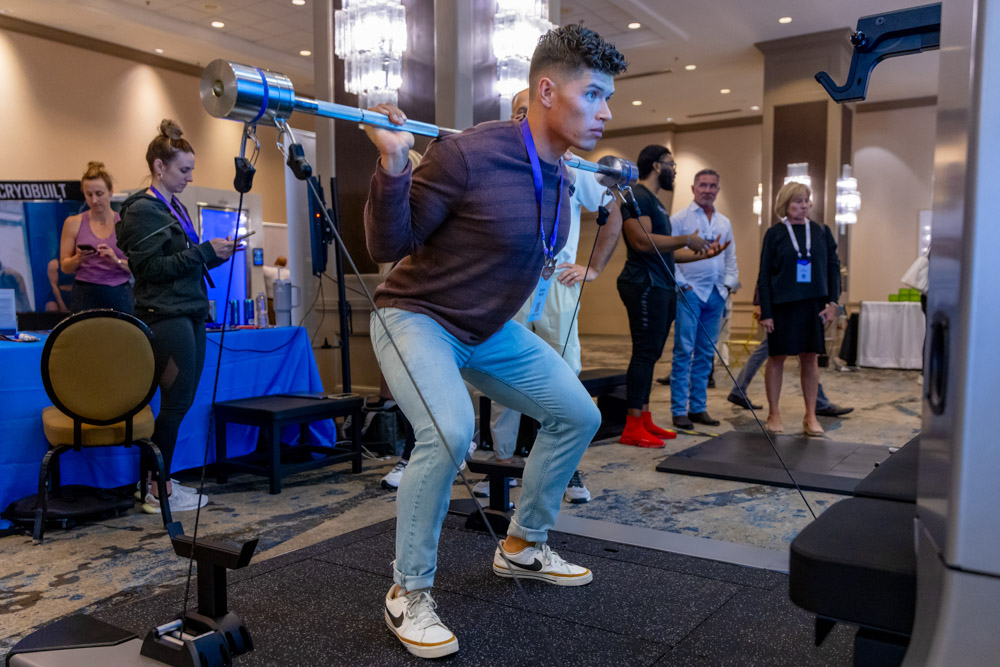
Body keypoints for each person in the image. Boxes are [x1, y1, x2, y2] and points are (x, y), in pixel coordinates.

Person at [364, 25, 626, 658]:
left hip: (485, 330)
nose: (606, 112)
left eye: (608, 98)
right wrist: (394, 164)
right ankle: (407, 591)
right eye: (593, 94)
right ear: (547, 91)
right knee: (451, 431)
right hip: (417, 316)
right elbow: (386, 246)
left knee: (579, 414)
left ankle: (522, 545)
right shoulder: (466, 154)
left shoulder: (563, 174)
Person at [483, 87, 624, 505]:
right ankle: (503, 463)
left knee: (564, 376)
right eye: (518, 111)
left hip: (556, 282)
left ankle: (563, 467)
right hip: (508, 283)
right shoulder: (501, 163)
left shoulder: (573, 165)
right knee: (502, 371)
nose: (525, 117)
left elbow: (614, 210)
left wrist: (592, 268)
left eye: (530, 109)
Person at [117, 119, 237, 513]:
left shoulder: (172, 206)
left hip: (187, 311)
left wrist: (214, 254)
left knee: (179, 403)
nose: (190, 177)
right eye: (184, 170)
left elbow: (179, 263)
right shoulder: (143, 210)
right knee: (175, 403)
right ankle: (158, 488)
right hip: (166, 316)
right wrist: (204, 252)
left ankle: (156, 482)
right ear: (159, 166)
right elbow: (149, 268)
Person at [616, 145, 725, 447]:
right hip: (644, 283)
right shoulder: (636, 195)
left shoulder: (656, 202)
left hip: (661, 284)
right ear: (656, 165)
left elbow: (666, 255)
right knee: (643, 353)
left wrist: (703, 254)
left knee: (652, 354)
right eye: (671, 164)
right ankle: (632, 425)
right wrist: (686, 238)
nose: (673, 170)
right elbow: (641, 241)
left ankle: (644, 417)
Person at [757, 182, 841, 436]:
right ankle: (774, 413)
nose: (803, 206)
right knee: (777, 357)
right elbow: (764, 275)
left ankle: (810, 415)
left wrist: (833, 303)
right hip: (782, 305)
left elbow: (833, 267)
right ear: (785, 204)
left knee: (810, 357)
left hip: (813, 304)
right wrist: (766, 311)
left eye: (806, 201)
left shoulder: (821, 232)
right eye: (797, 201)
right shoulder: (775, 234)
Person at [670, 170, 739, 430]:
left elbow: (730, 258)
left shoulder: (724, 222)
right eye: (703, 185)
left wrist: (728, 286)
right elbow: (668, 254)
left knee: (706, 354)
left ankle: (698, 407)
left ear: (718, 190)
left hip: (716, 294)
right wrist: (682, 285)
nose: (708, 190)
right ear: (693, 188)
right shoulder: (679, 219)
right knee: (684, 351)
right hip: (690, 293)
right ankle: (679, 410)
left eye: (712, 186)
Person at [726, 288, 853, 416]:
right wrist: (759, 304)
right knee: (795, 353)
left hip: (794, 304)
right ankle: (820, 402)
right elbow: (764, 278)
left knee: (803, 354)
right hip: (783, 305)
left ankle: (738, 389)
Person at [59, 162, 134, 313]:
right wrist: (78, 258)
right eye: (89, 194)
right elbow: (65, 267)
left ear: (110, 192)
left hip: (119, 292)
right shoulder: (73, 223)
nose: (94, 200)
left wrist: (116, 260)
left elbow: (138, 268)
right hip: (85, 293)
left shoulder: (126, 223)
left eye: (99, 194)